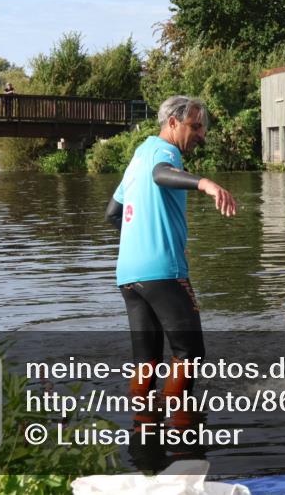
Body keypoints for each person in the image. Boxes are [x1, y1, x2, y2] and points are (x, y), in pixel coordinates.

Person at [105, 96, 237, 425]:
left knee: (146, 359)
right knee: (189, 353)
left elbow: (112, 213)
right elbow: (162, 174)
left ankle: (144, 433)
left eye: (202, 127)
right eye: (195, 126)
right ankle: (182, 439)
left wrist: (143, 234)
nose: (201, 134)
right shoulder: (165, 153)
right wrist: (204, 183)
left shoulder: (138, 155)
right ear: (173, 123)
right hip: (163, 271)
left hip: (129, 275)